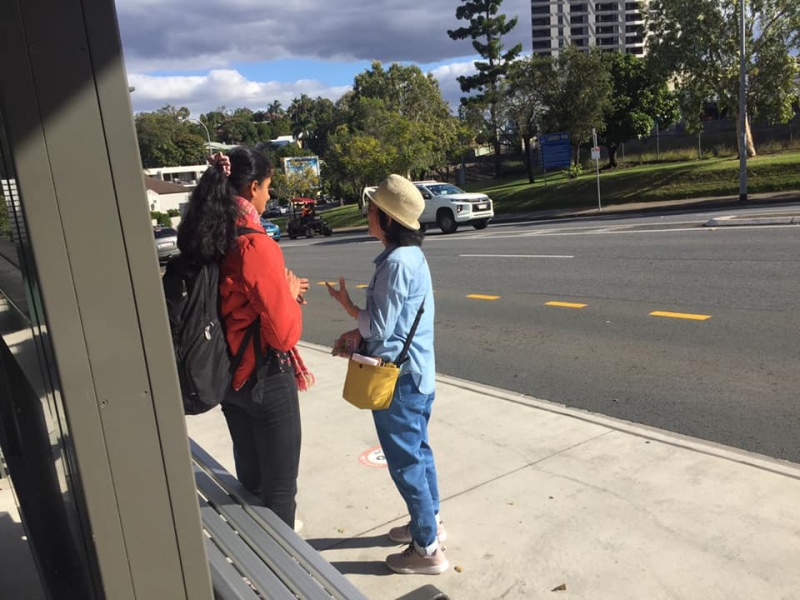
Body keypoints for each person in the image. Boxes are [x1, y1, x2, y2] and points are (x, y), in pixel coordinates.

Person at [177, 148, 312, 529]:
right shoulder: (254, 243)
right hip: (265, 377)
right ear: (253, 187)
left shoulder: (207, 234)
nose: (268, 196)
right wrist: (288, 294)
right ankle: (279, 562)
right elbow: (283, 335)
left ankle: (256, 546)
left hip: (226, 374)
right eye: (267, 187)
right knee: (280, 491)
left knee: (251, 483)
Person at [326, 174, 448, 575]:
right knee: (419, 453)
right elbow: (394, 323)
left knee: (405, 463)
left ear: (388, 219)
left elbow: (378, 328)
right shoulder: (411, 257)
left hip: (400, 381)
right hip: (418, 373)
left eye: (372, 209)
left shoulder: (395, 263)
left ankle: (427, 549)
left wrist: (350, 310)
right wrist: (354, 324)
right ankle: (429, 523)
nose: (368, 214)